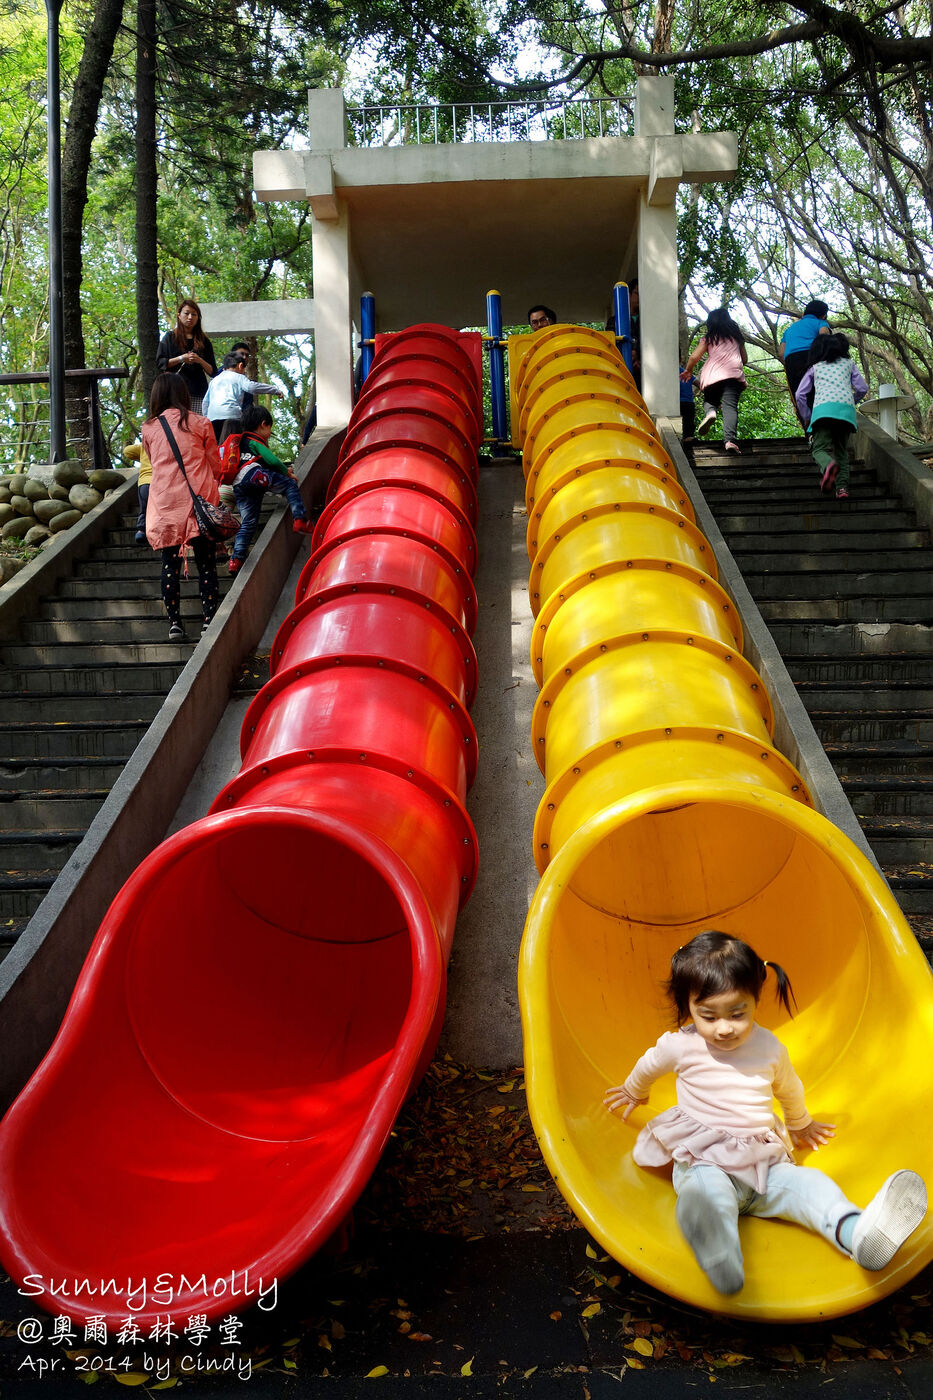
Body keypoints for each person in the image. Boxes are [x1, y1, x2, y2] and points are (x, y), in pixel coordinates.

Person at [604, 930, 927, 1296]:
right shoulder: (681, 1046)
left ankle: (855, 1232)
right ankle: (718, 1254)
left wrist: (800, 1123)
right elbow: (649, 1064)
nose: (724, 1027)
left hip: (764, 1165)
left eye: (737, 1013)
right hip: (706, 1160)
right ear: (689, 1007)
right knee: (709, 1194)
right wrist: (635, 1090)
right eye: (708, 1015)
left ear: (755, 1000)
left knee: (810, 1187)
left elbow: (789, 1089)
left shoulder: (770, 1048)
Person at [140, 373, 222, 641]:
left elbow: (153, 461)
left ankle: (174, 623)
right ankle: (209, 619)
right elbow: (214, 465)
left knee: (168, 565)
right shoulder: (200, 423)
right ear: (184, 393)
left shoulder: (150, 428)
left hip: (165, 505)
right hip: (198, 502)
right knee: (206, 563)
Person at [227, 406, 314, 575]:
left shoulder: (241, 443)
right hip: (254, 476)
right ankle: (300, 519)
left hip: (239, 485)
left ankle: (236, 559)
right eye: (270, 428)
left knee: (248, 522)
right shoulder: (254, 441)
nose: (269, 432)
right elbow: (271, 461)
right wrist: (286, 472)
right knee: (289, 485)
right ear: (263, 424)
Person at [794, 333, 868, 500]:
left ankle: (828, 465)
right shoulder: (849, 364)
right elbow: (862, 388)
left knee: (819, 448)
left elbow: (800, 394)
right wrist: (851, 401)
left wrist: (807, 415)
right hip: (846, 413)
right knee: (841, 451)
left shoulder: (816, 367)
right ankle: (842, 488)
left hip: (823, 412)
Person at [680, 308, 747, 454]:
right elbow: (745, 359)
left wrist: (688, 370)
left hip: (712, 376)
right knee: (730, 407)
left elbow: (694, 357)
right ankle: (730, 441)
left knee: (710, 401)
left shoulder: (709, 338)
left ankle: (710, 412)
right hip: (733, 376)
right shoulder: (737, 338)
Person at [201, 352, 281, 443]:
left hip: (213, 418)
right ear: (240, 365)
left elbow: (205, 403)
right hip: (232, 416)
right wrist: (274, 390)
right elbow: (252, 387)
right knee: (234, 446)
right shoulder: (239, 377)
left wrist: (207, 418)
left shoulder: (214, 380)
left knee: (218, 446)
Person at [155, 299, 217, 413]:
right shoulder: (170, 337)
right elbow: (161, 362)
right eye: (187, 313)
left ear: (198, 318)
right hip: (174, 392)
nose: (190, 317)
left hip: (198, 391)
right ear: (179, 315)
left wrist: (199, 360)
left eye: (194, 314)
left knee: (196, 425)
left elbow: (213, 371)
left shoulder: (204, 341)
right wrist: (181, 358)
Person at [778, 300, 831, 413]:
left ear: (804, 313)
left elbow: (781, 353)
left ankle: (807, 425)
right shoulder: (820, 323)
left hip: (791, 361)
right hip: (812, 357)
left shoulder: (789, 329)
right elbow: (824, 337)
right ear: (823, 315)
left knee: (799, 395)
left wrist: (792, 365)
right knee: (817, 393)